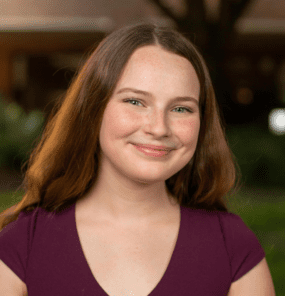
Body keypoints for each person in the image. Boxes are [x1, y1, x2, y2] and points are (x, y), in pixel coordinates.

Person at [0, 22, 275, 296]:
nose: (159, 128)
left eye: (181, 108)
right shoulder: (22, 244)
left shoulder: (233, 246)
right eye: (135, 101)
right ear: (94, 108)